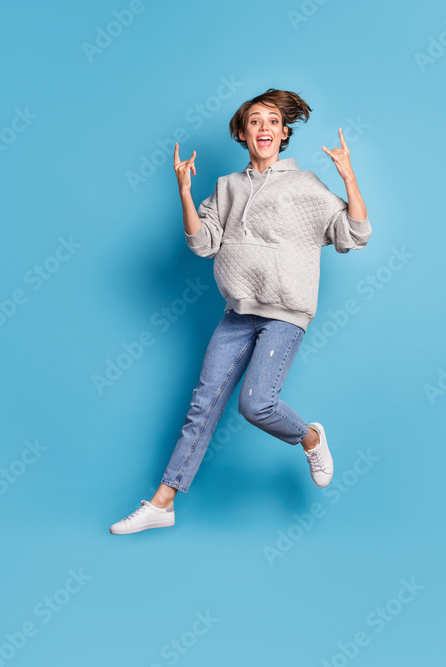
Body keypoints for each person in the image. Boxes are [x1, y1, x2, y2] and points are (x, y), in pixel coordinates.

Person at [110, 88, 371, 535]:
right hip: (237, 312)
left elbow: (354, 233)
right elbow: (203, 243)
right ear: (243, 132)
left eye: (272, 120)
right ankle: (163, 503)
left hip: (285, 312)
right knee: (202, 405)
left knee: (255, 403)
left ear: (284, 132)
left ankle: (310, 437)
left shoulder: (305, 185)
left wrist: (348, 177)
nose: (263, 128)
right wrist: (186, 194)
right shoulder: (227, 187)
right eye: (254, 121)